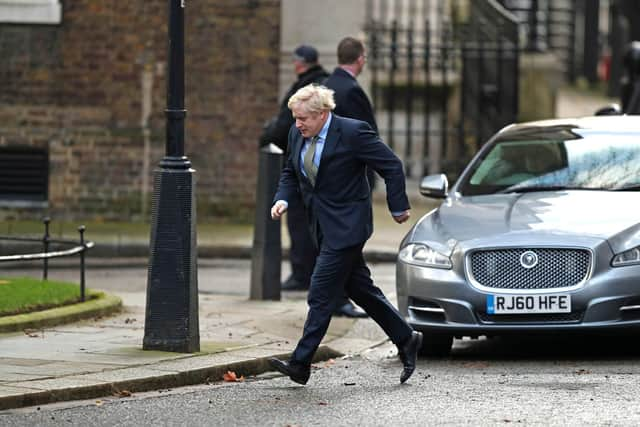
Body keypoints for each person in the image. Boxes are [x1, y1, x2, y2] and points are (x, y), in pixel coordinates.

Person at [268, 84, 423, 385]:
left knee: (321, 291)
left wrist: (398, 206)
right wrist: (282, 198)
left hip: (349, 226)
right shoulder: (296, 133)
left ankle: (301, 363)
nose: (297, 124)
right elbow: (290, 170)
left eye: (303, 118)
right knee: (360, 289)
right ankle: (406, 338)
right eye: (295, 118)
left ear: (323, 114)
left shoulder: (353, 132)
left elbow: (391, 165)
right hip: (322, 225)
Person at [260, 45, 329, 292]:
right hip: (314, 168)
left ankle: (302, 274)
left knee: (300, 223)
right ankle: (312, 275)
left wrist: (268, 135)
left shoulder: (305, 89)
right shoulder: (321, 84)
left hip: (305, 167)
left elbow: (286, 126)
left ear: (300, 63)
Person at [324, 36, 379, 190]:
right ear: (360, 59)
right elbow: (364, 133)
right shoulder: (352, 90)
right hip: (350, 173)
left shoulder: (326, 84)